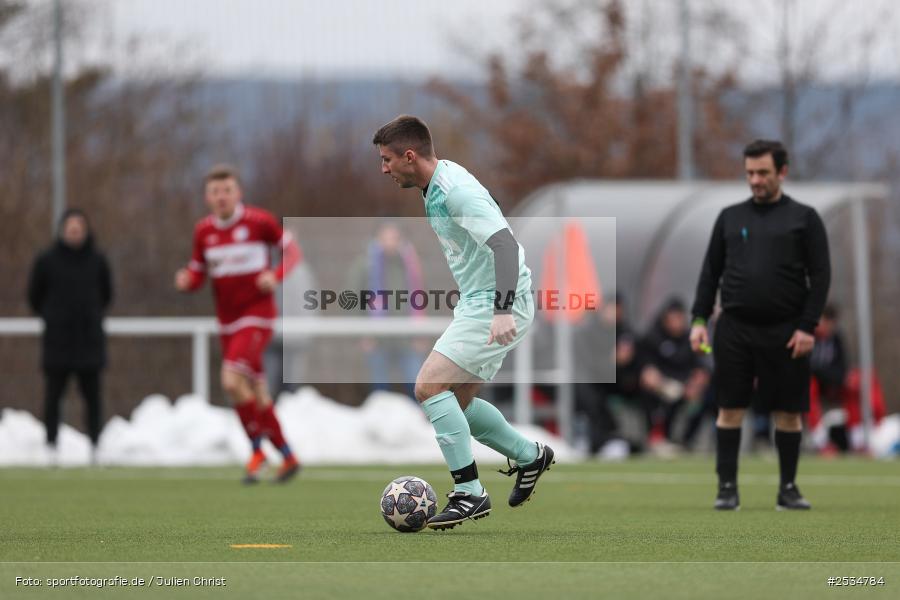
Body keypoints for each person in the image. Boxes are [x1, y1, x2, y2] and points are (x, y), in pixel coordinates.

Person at [373, 115, 554, 530]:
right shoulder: (433, 183)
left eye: (386, 159)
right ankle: (530, 455)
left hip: (495, 302)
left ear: (410, 156)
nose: (383, 169)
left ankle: (469, 493)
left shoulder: (455, 193)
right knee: (458, 404)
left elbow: (505, 245)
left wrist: (502, 308)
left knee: (428, 387)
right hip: (481, 300)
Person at [690, 140, 831, 511]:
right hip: (734, 328)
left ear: (782, 172)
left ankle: (788, 489)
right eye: (750, 173)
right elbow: (710, 273)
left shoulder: (805, 218)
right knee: (730, 407)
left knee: (787, 412)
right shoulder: (730, 217)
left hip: (787, 331)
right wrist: (699, 320)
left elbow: (821, 277)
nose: (755, 180)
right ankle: (726, 489)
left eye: (763, 173)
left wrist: (807, 326)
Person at [175, 164, 302, 484]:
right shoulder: (203, 231)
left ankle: (257, 452)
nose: (221, 197)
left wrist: (275, 276)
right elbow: (198, 272)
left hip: (257, 316)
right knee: (256, 392)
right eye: (215, 192)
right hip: (228, 322)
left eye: (227, 190)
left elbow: (292, 251)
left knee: (231, 380)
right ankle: (287, 456)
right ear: (207, 197)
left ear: (238, 193)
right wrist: (186, 280)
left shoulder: (259, 222)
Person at [27, 209, 113, 465]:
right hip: (58, 342)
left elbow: (107, 294)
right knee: (53, 397)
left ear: (86, 229)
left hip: (89, 342)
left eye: (79, 226)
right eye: (70, 226)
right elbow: (34, 296)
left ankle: (96, 446)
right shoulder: (46, 261)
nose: (74, 231)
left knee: (93, 398)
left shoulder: (98, 260)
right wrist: (54, 317)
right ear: (62, 229)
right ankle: (51, 446)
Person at [346, 221, 425, 399]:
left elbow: (421, 297)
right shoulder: (364, 264)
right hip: (377, 339)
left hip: (407, 338)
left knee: (417, 387)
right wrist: (361, 335)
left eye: (394, 237)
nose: (390, 241)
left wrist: (420, 333)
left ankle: (418, 424)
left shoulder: (410, 264)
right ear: (377, 238)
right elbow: (351, 300)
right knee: (380, 391)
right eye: (386, 237)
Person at [639, 298, 709, 450]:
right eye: (673, 319)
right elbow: (645, 367)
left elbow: (702, 366)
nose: (676, 323)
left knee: (706, 399)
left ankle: (685, 441)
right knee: (657, 396)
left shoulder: (692, 338)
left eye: (679, 318)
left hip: (686, 387)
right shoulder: (652, 337)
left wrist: (696, 384)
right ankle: (658, 438)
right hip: (660, 387)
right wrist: (657, 382)